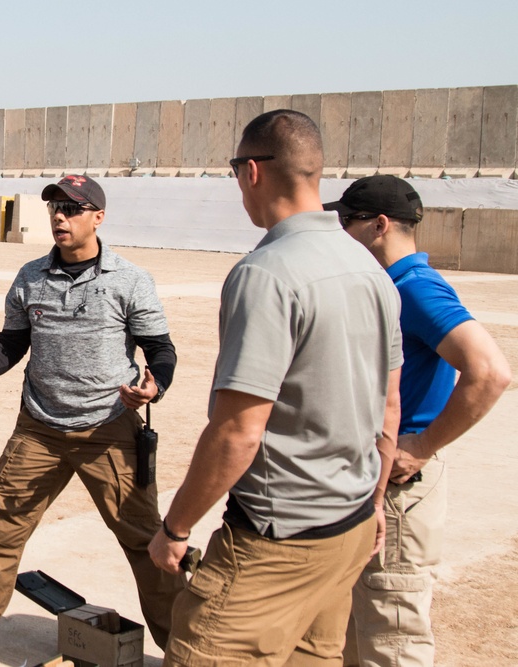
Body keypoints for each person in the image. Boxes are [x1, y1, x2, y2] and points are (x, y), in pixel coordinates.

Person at [148, 109, 404, 666]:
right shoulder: (370, 269)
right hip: (352, 523)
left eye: (235, 170)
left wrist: (176, 526)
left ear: (254, 172)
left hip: (276, 541)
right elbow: (389, 408)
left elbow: (239, 432)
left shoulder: (265, 274)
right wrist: (375, 501)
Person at [0, 174, 186, 666]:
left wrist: (155, 385)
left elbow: (160, 349)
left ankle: (182, 644)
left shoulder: (129, 279)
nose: (59, 217)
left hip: (108, 430)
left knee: (146, 543)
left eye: (72, 208)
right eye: (54, 208)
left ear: (98, 217)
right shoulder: (30, 276)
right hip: (39, 429)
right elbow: (12, 343)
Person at [327, 175, 511, 666]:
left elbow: (490, 372)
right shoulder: (392, 286)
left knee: (392, 635)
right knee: (356, 631)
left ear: (379, 226)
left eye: (347, 222)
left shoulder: (416, 289)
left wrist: (423, 444)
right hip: (372, 477)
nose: (341, 232)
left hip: (400, 489)